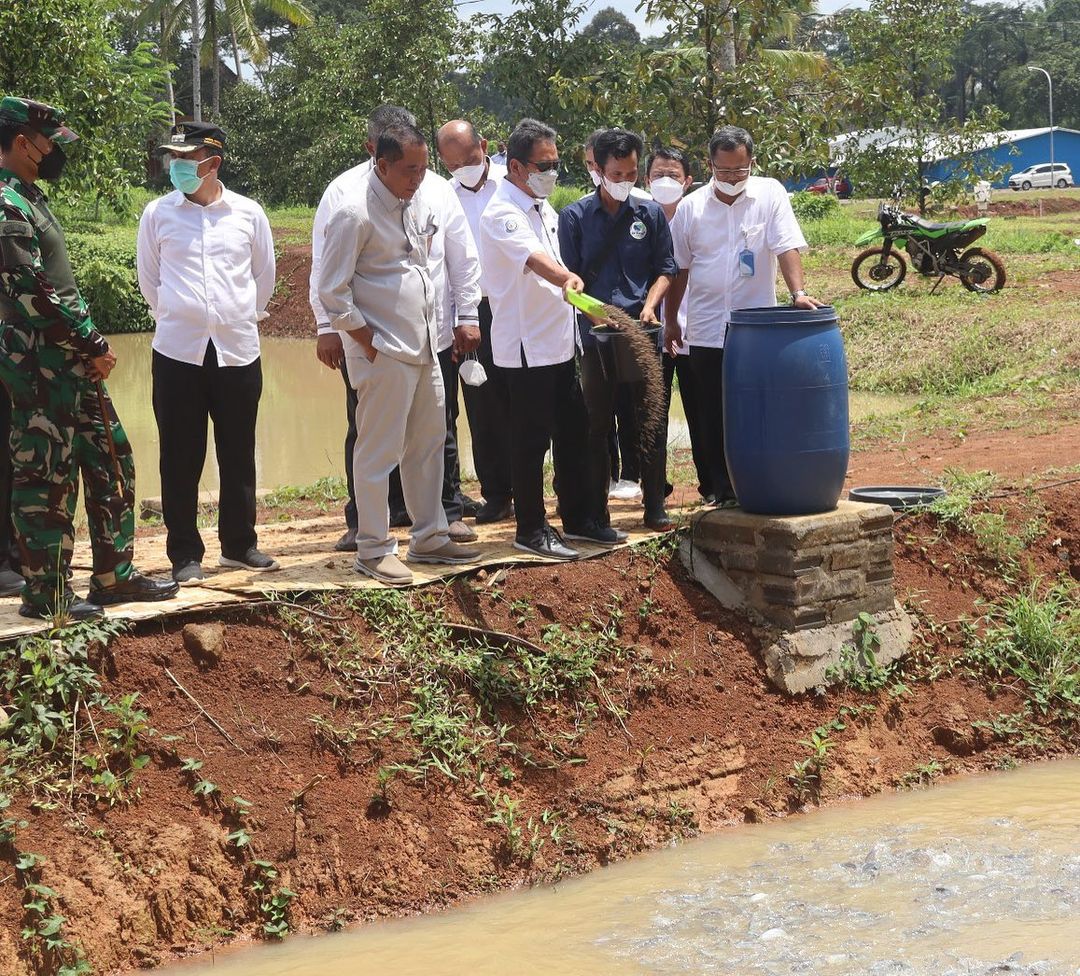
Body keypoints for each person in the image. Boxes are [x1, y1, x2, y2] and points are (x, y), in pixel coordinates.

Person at [0, 96, 178, 619]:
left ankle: (113, 576)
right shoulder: (7, 205)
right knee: (45, 479)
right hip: (41, 366)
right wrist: (92, 343)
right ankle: (47, 594)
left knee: (111, 459)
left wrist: (87, 346)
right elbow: (33, 294)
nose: (54, 149)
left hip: (69, 363)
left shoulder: (29, 197)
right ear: (20, 142)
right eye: (48, 140)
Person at [310, 105, 482, 550]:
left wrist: (462, 318)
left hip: (427, 347)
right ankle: (372, 546)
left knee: (427, 446)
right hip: (384, 351)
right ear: (380, 163)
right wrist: (367, 342)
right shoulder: (353, 209)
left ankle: (429, 535)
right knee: (377, 452)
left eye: (424, 168)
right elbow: (332, 289)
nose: (418, 178)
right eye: (410, 170)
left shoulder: (421, 197)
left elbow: (448, 263)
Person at [137, 122, 279, 584]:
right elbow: (150, 283)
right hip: (178, 352)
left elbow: (264, 278)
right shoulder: (158, 215)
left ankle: (239, 545)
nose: (175, 167)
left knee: (238, 451)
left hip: (237, 350)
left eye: (185, 159)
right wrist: (187, 316)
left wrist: (233, 316)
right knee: (180, 454)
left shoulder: (248, 214)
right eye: (173, 159)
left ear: (212, 163)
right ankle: (184, 553)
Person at [666, 126, 823, 507]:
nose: (733, 179)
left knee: (752, 409)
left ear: (751, 163)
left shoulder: (769, 194)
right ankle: (716, 488)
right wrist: (671, 319)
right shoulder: (691, 208)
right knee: (708, 414)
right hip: (704, 328)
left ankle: (753, 483)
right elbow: (679, 269)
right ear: (709, 166)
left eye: (741, 171)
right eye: (724, 172)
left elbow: (786, 245)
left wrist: (797, 293)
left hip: (754, 329)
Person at [478, 118, 591, 560]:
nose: (553, 172)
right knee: (529, 441)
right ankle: (530, 528)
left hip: (560, 342)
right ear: (519, 166)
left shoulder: (544, 207)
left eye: (556, 163)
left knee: (574, 432)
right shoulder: (502, 212)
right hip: (526, 349)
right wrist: (569, 280)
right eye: (545, 165)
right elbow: (536, 261)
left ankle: (579, 517)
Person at [559, 128, 676, 535]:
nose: (624, 181)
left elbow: (666, 269)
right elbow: (570, 284)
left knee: (651, 418)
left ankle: (655, 506)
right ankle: (597, 514)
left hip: (643, 333)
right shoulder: (574, 217)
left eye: (630, 174)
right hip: (598, 338)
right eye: (616, 174)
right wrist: (596, 316)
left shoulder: (651, 214)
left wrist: (649, 305)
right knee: (597, 424)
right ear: (598, 169)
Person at [435, 119, 514, 525]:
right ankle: (497, 493)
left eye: (468, 159)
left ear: (484, 145)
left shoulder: (512, 184)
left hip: (514, 306)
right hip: (469, 312)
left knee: (521, 398)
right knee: (481, 402)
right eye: (452, 165)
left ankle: (531, 485)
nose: (462, 169)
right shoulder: (441, 197)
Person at [644, 146, 713, 502]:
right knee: (652, 412)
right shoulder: (637, 218)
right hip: (652, 331)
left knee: (702, 412)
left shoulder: (701, 213)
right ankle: (654, 489)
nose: (665, 182)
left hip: (695, 331)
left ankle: (711, 485)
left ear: (687, 181)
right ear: (647, 180)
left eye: (673, 175)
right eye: (658, 175)